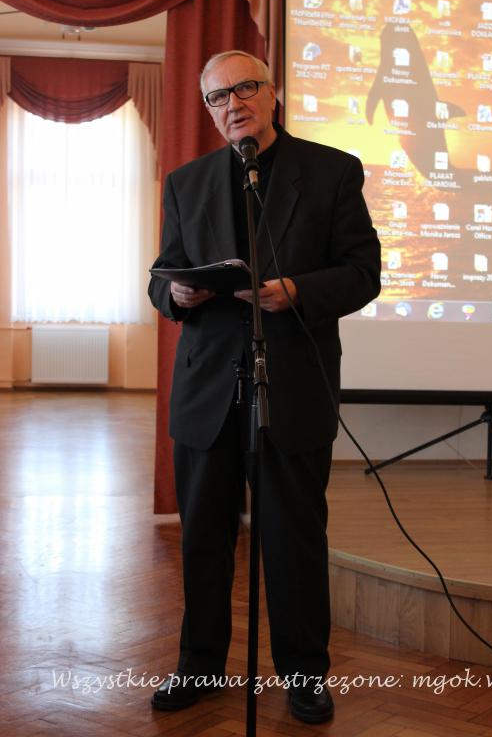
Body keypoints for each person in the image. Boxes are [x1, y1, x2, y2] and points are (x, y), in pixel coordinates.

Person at [148, 50, 380, 723]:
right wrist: (177, 293)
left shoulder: (332, 171)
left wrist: (297, 291)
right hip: (207, 393)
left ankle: (304, 675)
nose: (232, 104)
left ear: (272, 93)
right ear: (209, 110)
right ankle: (199, 667)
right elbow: (162, 275)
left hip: (293, 387)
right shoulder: (186, 182)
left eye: (244, 87)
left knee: (293, 540)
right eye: (217, 97)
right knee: (204, 540)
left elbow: (363, 272)